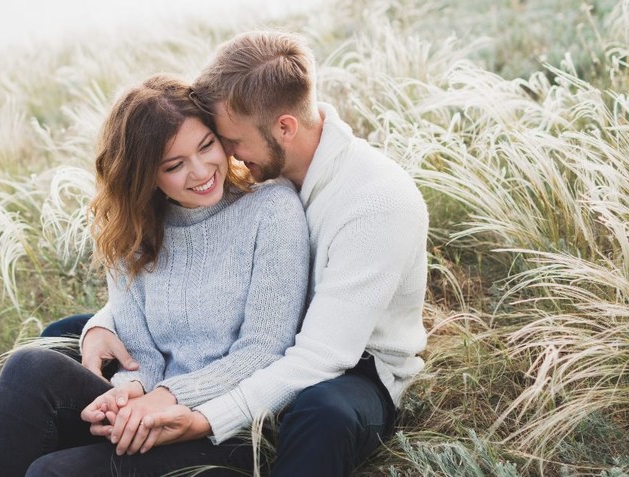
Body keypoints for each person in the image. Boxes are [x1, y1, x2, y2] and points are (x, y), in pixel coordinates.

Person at [72, 30, 429, 476]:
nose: (224, 156)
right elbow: (192, 281)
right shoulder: (271, 171)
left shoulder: (374, 203)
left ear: (284, 127)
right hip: (261, 332)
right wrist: (102, 322)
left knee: (324, 413)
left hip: (350, 367)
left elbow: (318, 357)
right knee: (67, 336)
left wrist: (202, 420)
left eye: (227, 141)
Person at [0, 74, 310, 476]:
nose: (201, 171)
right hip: (150, 409)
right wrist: (127, 395)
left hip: (228, 429)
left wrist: (169, 396)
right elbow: (139, 351)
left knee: (51, 472)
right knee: (29, 367)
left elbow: (264, 350)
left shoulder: (271, 210)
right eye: (174, 165)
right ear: (145, 174)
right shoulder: (135, 231)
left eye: (207, 146)